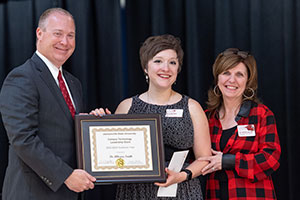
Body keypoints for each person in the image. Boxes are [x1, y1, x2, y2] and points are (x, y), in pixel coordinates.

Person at [91, 34, 211, 199]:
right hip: (135, 193)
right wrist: (98, 123)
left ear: (178, 69)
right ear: (145, 67)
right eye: (158, 61)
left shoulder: (192, 107)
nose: (166, 68)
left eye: (172, 62)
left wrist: (182, 176)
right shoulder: (127, 107)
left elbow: (205, 159)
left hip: (182, 191)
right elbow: (111, 156)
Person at [0, 8, 95, 200]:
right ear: (39, 34)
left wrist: (91, 125)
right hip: (32, 193)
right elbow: (23, 139)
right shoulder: (22, 77)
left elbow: (64, 130)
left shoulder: (73, 83)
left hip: (69, 193)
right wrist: (66, 175)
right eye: (58, 34)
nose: (65, 42)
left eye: (71, 35)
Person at [198, 48, 281, 199]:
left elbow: (271, 159)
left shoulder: (262, 114)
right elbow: (195, 157)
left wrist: (228, 161)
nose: (232, 80)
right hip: (216, 194)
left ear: (248, 80)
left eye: (239, 75)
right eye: (226, 73)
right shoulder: (206, 117)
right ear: (218, 78)